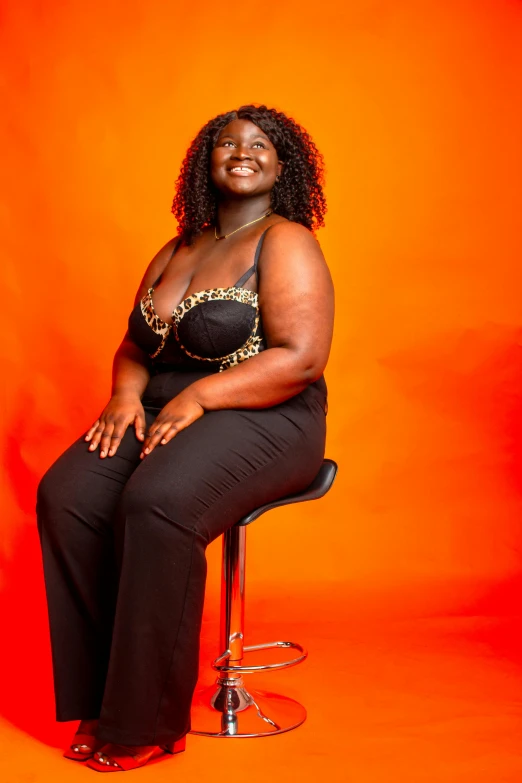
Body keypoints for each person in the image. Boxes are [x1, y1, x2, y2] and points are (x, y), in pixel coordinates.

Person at [36, 103, 334, 773]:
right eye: (227, 143)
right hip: (167, 405)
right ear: (206, 162)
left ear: (283, 166)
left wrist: (200, 394)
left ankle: (147, 721)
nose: (243, 151)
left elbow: (302, 357)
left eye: (260, 145)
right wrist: (123, 395)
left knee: (159, 500)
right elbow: (133, 346)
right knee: (68, 495)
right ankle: (101, 702)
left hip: (268, 411)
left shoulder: (285, 240)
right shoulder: (177, 246)